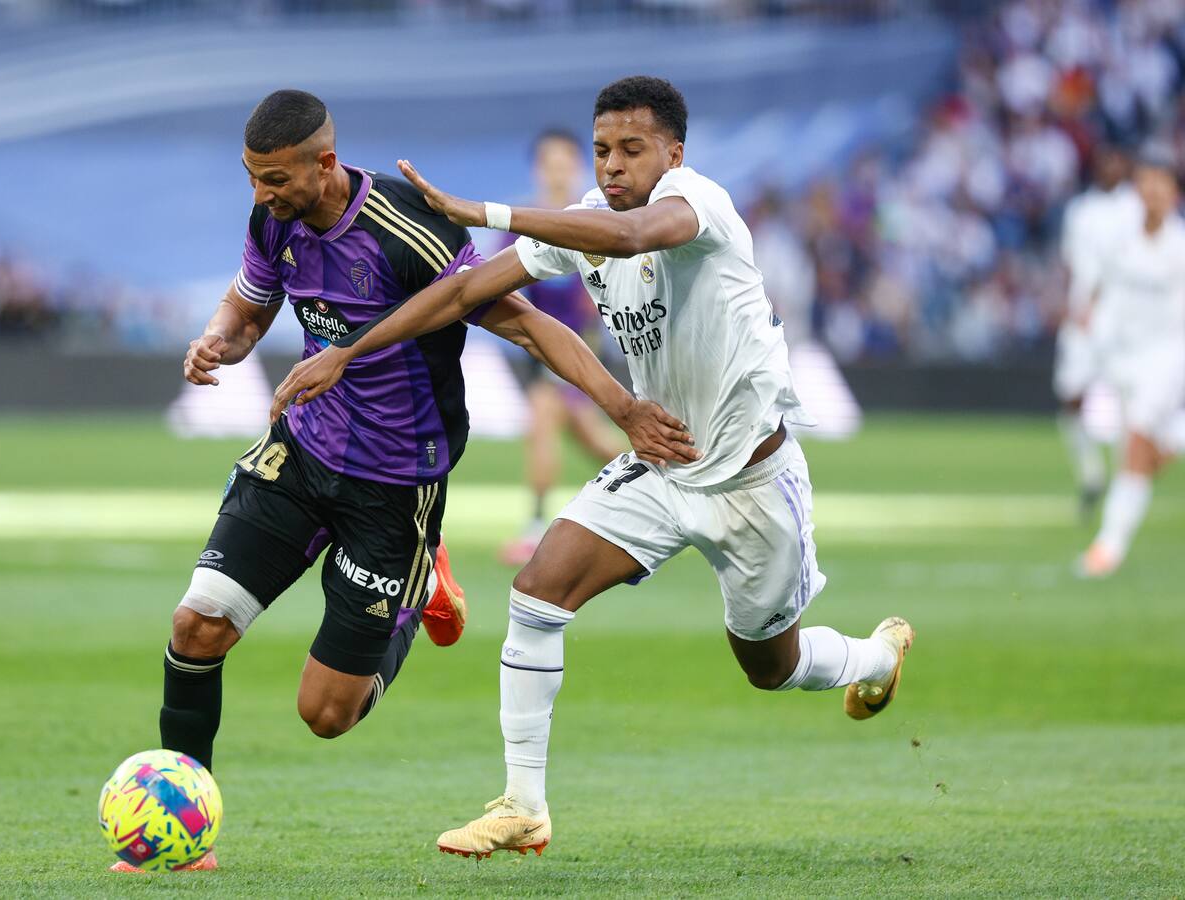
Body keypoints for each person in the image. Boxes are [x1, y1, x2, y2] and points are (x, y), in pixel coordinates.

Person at [271, 76, 914, 861]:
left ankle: (876, 655)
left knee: (770, 667)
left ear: (673, 153)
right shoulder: (582, 219)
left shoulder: (695, 202)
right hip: (662, 462)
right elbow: (468, 288)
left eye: (631, 150)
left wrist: (482, 213)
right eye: (603, 149)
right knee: (539, 589)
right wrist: (349, 351)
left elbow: (630, 238)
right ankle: (523, 806)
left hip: (753, 480)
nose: (612, 166)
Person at [113, 89, 684, 874]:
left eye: (274, 178)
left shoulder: (407, 228)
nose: (261, 196)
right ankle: (187, 840)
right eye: (251, 177)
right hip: (300, 456)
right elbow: (247, 313)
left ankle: (421, 592)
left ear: (325, 162)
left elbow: (523, 321)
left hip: (395, 483)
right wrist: (217, 341)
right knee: (196, 626)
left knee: (326, 715)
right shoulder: (271, 221)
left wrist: (622, 407)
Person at [498, 129, 626, 566]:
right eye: (550, 160)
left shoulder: (595, 217)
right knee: (590, 438)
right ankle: (667, 481)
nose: (558, 169)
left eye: (565, 160)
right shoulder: (524, 222)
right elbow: (503, 286)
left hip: (580, 347)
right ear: (539, 167)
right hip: (541, 348)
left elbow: (602, 294)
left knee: (544, 420)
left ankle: (535, 528)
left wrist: (584, 343)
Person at [1078, 149, 1185, 578]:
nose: (1153, 193)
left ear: (1174, 193)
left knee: (1138, 440)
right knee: (1139, 453)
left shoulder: (1180, 246)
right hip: (1121, 358)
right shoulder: (1117, 240)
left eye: (1162, 185)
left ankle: (1108, 547)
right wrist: (1091, 317)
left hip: (1167, 356)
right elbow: (1100, 287)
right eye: (1146, 184)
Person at [1053, 145, 1141, 519]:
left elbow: (1129, 263)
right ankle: (1091, 473)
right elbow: (1071, 262)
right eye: (1105, 160)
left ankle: (1128, 479)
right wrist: (1069, 304)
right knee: (1071, 398)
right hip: (1082, 317)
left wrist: (1096, 301)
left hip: (1121, 318)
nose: (1110, 167)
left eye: (1116, 160)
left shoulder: (1135, 208)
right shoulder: (1080, 210)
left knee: (1128, 400)